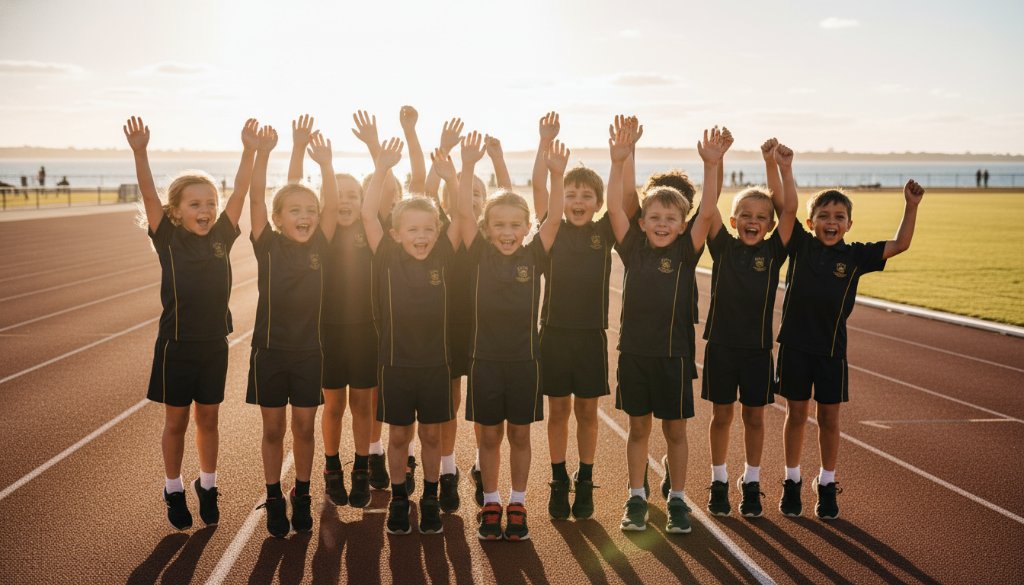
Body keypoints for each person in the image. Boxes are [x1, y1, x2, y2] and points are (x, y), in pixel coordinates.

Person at [123, 115, 257, 530]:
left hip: (214, 344)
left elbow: (241, 191)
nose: (206, 210)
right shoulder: (167, 237)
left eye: (210, 203)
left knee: (209, 419)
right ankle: (173, 487)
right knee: (176, 422)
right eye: (196, 204)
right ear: (177, 212)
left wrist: (249, 151)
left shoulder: (222, 236)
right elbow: (148, 194)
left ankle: (209, 484)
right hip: (176, 346)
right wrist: (140, 153)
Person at [776, 179, 925, 520]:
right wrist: (784, 168)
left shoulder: (855, 255)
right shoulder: (799, 244)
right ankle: (792, 479)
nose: (831, 222)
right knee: (795, 415)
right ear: (811, 222)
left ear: (849, 224)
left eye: (839, 216)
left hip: (831, 351)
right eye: (824, 215)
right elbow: (786, 207)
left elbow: (900, 244)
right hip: (795, 348)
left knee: (829, 419)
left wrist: (911, 206)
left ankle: (826, 484)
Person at [607, 125, 724, 534]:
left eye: (670, 218)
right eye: (654, 217)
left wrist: (712, 166)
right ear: (642, 223)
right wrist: (618, 161)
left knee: (675, 430)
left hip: (673, 356)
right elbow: (617, 207)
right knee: (639, 428)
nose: (661, 224)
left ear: (680, 225)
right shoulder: (631, 246)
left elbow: (707, 211)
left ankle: (676, 499)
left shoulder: (685, 252)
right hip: (635, 354)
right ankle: (636, 496)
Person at [533, 113, 641, 521]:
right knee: (558, 412)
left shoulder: (604, 231)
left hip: (591, 336)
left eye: (586, 196)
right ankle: (559, 479)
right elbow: (540, 189)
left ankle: (585, 478)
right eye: (572, 194)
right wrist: (546, 146)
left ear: (596, 203)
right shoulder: (552, 229)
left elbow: (623, 202)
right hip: (554, 335)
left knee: (587, 413)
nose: (578, 201)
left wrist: (619, 160)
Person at [461, 131, 568, 541]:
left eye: (515, 225)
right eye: (499, 225)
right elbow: (464, 215)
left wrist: (556, 176)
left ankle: (518, 502)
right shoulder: (479, 252)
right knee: (489, 436)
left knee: (520, 435)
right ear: (487, 229)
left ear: (526, 228)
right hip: (484, 361)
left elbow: (554, 217)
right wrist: (469, 165)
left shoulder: (533, 253)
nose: (507, 232)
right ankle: (491, 501)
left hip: (525, 362)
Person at [363, 136, 466, 536]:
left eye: (428, 229)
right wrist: (383, 169)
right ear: (395, 234)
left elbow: (460, 217)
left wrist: (452, 178)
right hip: (395, 364)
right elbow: (369, 215)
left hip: (436, 365)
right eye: (412, 230)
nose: (421, 236)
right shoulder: (386, 256)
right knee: (400, 435)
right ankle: (401, 498)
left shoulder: (443, 253)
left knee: (432, 435)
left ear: (437, 233)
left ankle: (430, 496)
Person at [248, 125, 340, 538]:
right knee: (273, 430)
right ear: (278, 218)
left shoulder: (321, 244)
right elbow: (256, 197)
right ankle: (273, 496)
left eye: (310, 210)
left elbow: (332, 208)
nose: (304, 217)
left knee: (304, 428)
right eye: (295, 211)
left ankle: (302, 494)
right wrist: (262, 153)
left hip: (308, 353)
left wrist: (326, 164)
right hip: (269, 352)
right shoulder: (266, 244)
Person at [700, 137, 797, 518]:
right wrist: (715, 162)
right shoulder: (722, 246)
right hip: (721, 348)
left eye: (761, 217)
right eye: (745, 215)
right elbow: (708, 206)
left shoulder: (774, 252)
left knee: (754, 418)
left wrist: (777, 167)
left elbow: (788, 209)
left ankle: (751, 481)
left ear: (769, 225)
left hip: (757, 351)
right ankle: (719, 479)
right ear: (734, 219)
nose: (753, 221)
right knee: (721, 416)